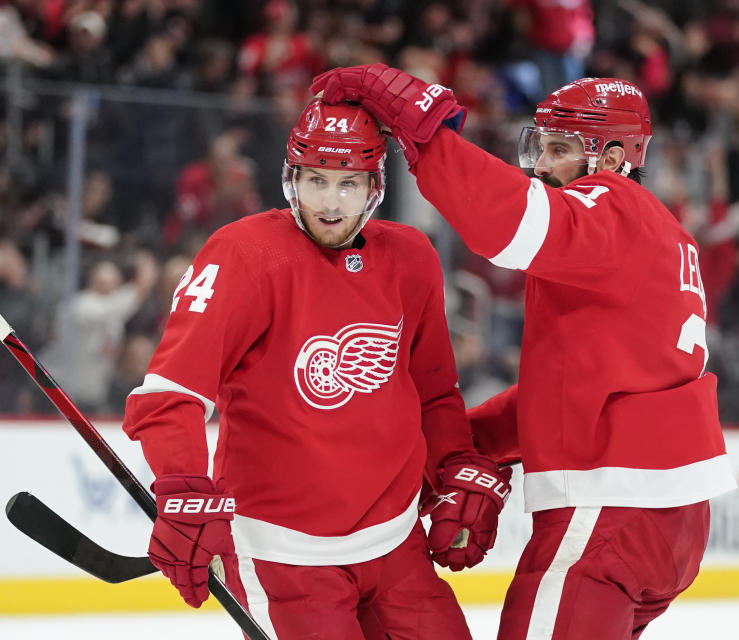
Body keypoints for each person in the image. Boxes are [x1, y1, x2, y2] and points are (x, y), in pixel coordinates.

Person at [312, 65, 737, 639]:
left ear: (612, 160)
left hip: (609, 511)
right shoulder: (662, 238)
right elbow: (574, 390)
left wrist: (426, 134)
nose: (540, 164)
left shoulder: (611, 206)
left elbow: (506, 220)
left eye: (560, 149)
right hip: (669, 522)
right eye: (540, 145)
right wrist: (462, 450)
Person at [121, 98, 510, 639]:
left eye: (348, 183)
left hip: (395, 546)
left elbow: (435, 395)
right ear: (291, 178)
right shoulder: (243, 254)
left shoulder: (410, 256)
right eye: (316, 180)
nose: (331, 203)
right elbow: (171, 395)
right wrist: (183, 484)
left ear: (374, 186)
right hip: (284, 556)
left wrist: (454, 467)